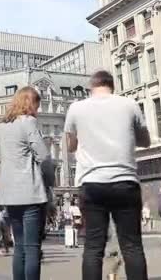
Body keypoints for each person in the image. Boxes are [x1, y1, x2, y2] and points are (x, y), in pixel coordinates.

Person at [64, 70, 150, 280]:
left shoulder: (76, 108)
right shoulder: (129, 104)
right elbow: (145, 141)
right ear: (112, 86)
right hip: (124, 181)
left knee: (93, 246)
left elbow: (70, 145)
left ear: (91, 87)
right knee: (132, 246)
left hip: (92, 183)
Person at [0, 86, 53, 280]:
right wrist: (49, 181)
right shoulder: (28, 122)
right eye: (37, 104)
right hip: (30, 192)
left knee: (19, 246)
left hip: (9, 194)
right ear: (31, 103)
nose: (38, 109)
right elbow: (43, 156)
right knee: (32, 248)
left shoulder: (2, 126)